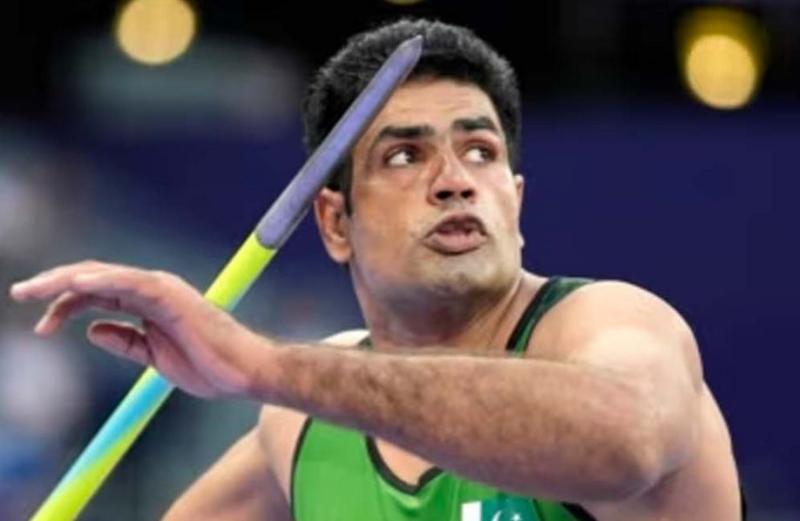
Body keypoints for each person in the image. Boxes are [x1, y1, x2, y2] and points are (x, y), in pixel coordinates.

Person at [10, 18, 743, 521]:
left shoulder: (609, 326)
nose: (455, 181)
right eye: (405, 155)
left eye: (480, 151)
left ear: (516, 202)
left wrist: (262, 364)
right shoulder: (300, 430)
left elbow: (627, 442)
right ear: (336, 223)